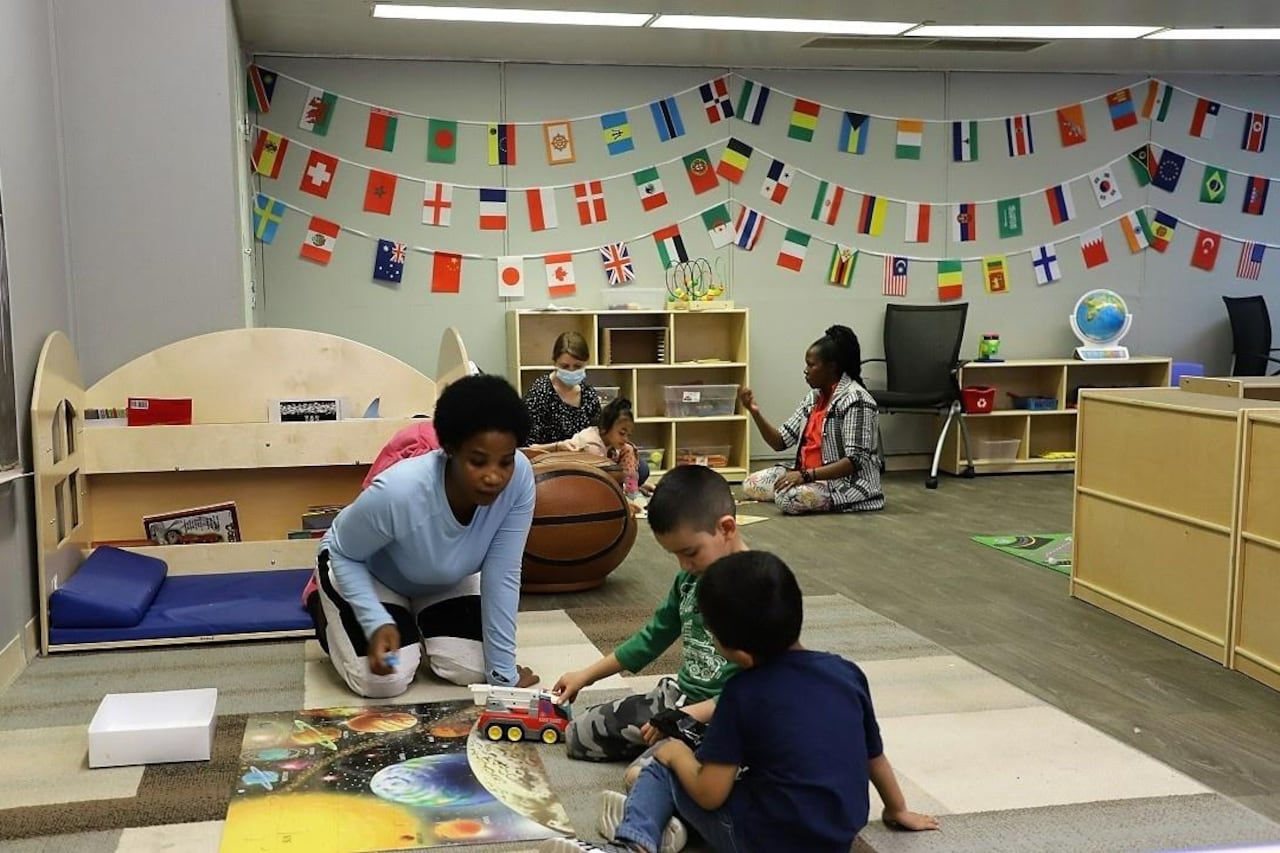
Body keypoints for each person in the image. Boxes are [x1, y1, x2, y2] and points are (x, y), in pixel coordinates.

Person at [539, 551, 939, 853]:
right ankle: (673, 826)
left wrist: (675, 753)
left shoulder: (741, 694)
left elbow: (711, 793)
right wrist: (896, 810)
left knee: (664, 767)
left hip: (761, 840)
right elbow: (874, 756)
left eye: (711, 632)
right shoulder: (846, 672)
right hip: (837, 835)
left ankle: (634, 841)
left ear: (740, 654)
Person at [311, 374, 541, 698]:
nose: (494, 476)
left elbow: (503, 573)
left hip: (445, 578)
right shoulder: (399, 492)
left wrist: (503, 678)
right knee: (384, 680)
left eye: (505, 462)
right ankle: (329, 613)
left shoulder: (519, 479)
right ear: (449, 449)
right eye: (477, 461)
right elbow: (344, 553)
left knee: (475, 670)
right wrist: (374, 620)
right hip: (368, 570)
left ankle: (413, 620)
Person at [552, 464, 745, 764]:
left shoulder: (759, 590)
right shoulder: (688, 582)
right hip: (678, 699)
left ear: (727, 528)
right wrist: (585, 676)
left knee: (646, 780)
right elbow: (652, 637)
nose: (684, 566)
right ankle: (669, 748)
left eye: (691, 553)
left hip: (730, 714)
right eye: (676, 555)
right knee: (578, 735)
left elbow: (768, 686)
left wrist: (691, 715)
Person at [740, 324, 884, 515]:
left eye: (811, 364)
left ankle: (831, 497)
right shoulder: (814, 397)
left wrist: (805, 476)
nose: (806, 370)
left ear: (831, 367)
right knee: (751, 484)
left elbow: (854, 461)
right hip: (806, 475)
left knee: (787, 499)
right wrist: (754, 412)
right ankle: (801, 491)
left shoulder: (856, 399)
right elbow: (780, 441)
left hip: (843, 483)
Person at [530, 397, 646, 496]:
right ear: (606, 427)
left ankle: (632, 492)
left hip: (595, 469)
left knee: (634, 456)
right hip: (568, 474)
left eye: (628, 435)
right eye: (622, 433)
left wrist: (633, 486)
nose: (625, 439)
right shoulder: (592, 445)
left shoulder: (610, 440)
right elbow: (601, 481)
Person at [525, 330, 603, 445]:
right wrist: (558, 447)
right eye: (565, 366)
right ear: (555, 363)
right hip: (548, 460)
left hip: (585, 459)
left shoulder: (588, 394)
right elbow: (528, 447)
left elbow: (598, 434)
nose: (571, 371)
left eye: (577, 366)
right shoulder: (539, 394)